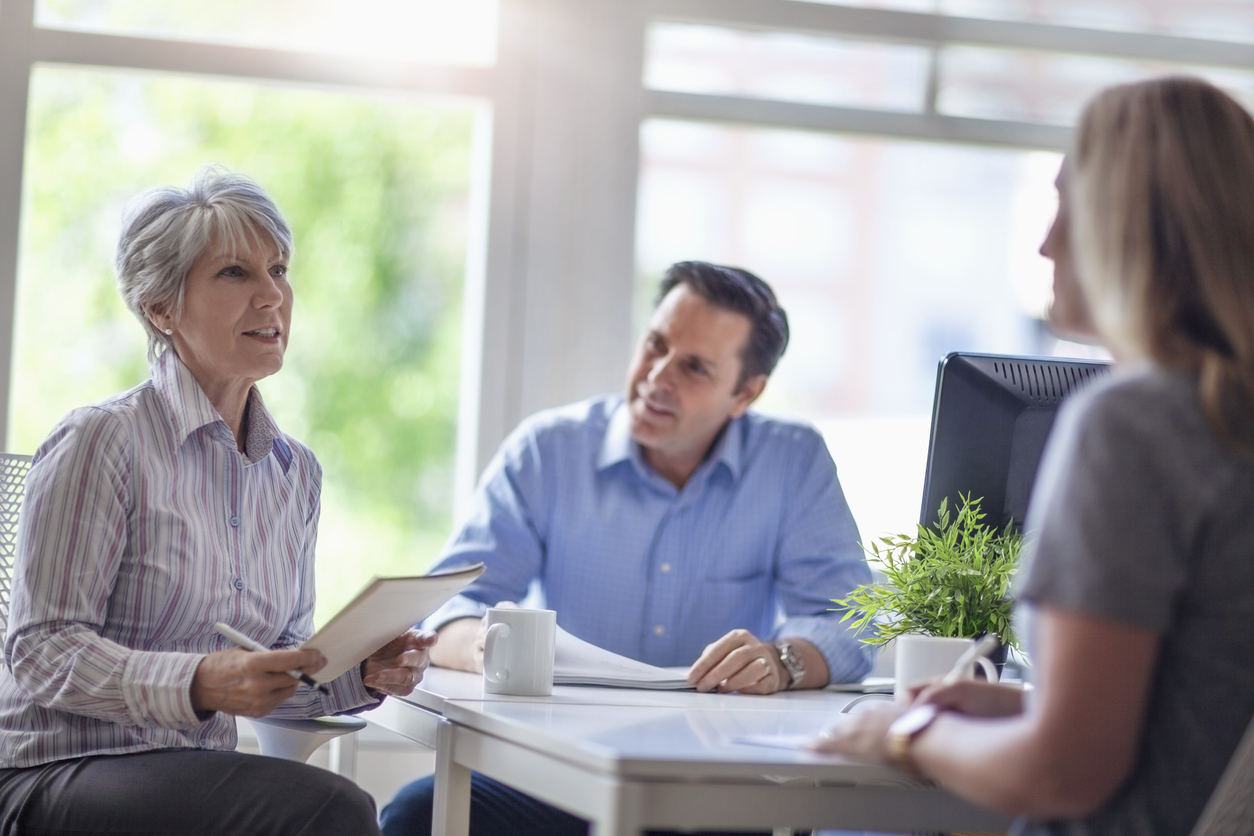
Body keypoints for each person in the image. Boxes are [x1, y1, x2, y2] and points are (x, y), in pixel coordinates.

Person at [815, 76, 1254, 836]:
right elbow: (1206, 702)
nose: (1046, 243)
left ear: (1135, 228)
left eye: (1068, 205)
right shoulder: (1226, 422)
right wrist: (1028, 705)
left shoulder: (1132, 424)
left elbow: (1062, 774)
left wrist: (903, 733)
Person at [0, 168, 436, 835]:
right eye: (235, 273)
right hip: (54, 770)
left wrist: (363, 674)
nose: (273, 295)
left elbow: (274, 671)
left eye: (279, 270)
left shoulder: (295, 475)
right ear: (161, 308)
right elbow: (41, 651)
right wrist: (198, 682)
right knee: (333, 808)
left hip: (187, 773)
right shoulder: (102, 440)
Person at [382, 261, 874, 836]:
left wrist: (782, 661)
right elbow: (448, 607)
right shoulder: (548, 451)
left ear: (745, 392)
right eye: (656, 344)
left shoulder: (792, 462)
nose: (657, 376)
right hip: (555, 773)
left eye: (694, 367)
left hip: (713, 784)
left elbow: (853, 622)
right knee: (418, 814)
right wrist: (492, 647)